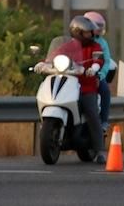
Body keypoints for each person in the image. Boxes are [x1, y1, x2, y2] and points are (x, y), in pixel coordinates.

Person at [35, 16, 107, 164]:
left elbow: (98, 60)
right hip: (68, 80)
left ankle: (99, 150)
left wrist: (93, 69)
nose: (91, 35)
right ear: (77, 32)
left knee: (92, 112)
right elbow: (54, 56)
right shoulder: (69, 46)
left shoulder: (95, 46)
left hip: (86, 86)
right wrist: (42, 64)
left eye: (91, 32)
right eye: (87, 32)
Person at [83, 11, 114, 133]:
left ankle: (104, 121)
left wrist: (100, 75)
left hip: (95, 76)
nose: (99, 30)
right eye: (97, 26)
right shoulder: (77, 40)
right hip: (78, 75)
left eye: (101, 27)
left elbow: (106, 61)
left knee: (105, 90)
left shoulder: (101, 43)